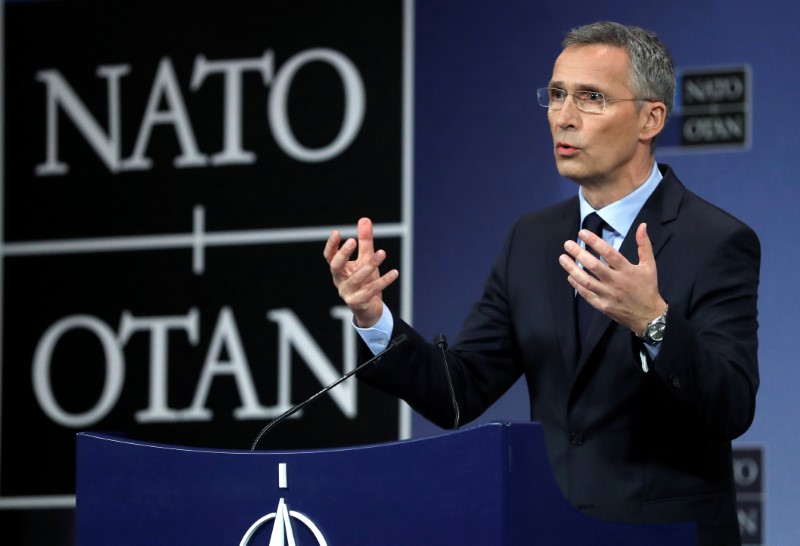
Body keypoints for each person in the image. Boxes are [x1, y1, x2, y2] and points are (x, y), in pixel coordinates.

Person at [323, 21, 759, 546]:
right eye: (556, 96)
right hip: (549, 532)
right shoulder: (531, 239)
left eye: (591, 97)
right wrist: (374, 319)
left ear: (651, 118)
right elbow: (456, 393)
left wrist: (653, 321)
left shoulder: (715, 239)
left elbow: (732, 407)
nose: (564, 118)